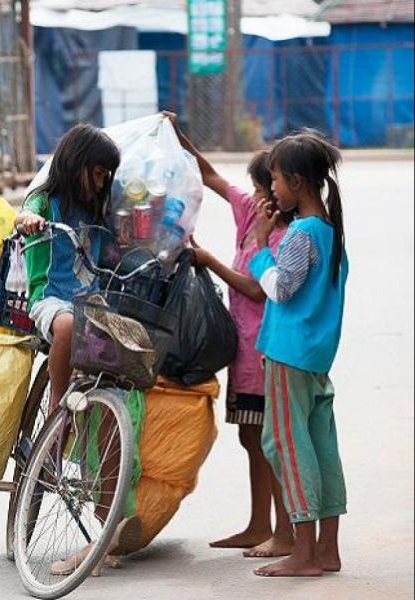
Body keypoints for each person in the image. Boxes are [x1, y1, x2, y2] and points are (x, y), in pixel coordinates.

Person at [166, 111, 295, 558]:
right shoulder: (250, 214)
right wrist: (175, 134)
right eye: (260, 189)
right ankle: (259, 524)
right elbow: (211, 176)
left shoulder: (282, 237)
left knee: (268, 439)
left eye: (267, 190)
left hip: (264, 350)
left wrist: (209, 260)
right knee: (249, 436)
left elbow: (258, 289)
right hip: (242, 351)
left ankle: (285, 531)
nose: (260, 197)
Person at [248, 130, 348, 577]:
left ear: (297, 182)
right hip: (316, 357)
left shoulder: (301, 233)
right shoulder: (330, 231)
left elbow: (281, 289)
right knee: (321, 444)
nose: (272, 190)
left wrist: (258, 248)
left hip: (289, 354)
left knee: (285, 443)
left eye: (275, 181)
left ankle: (304, 550)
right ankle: (327, 548)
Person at [15, 123, 121, 413]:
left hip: (91, 302)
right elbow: (23, 214)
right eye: (97, 174)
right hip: (52, 299)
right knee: (67, 325)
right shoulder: (46, 202)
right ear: (76, 164)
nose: (100, 184)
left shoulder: (97, 210)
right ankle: (56, 406)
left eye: (105, 177)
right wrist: (28, 221)